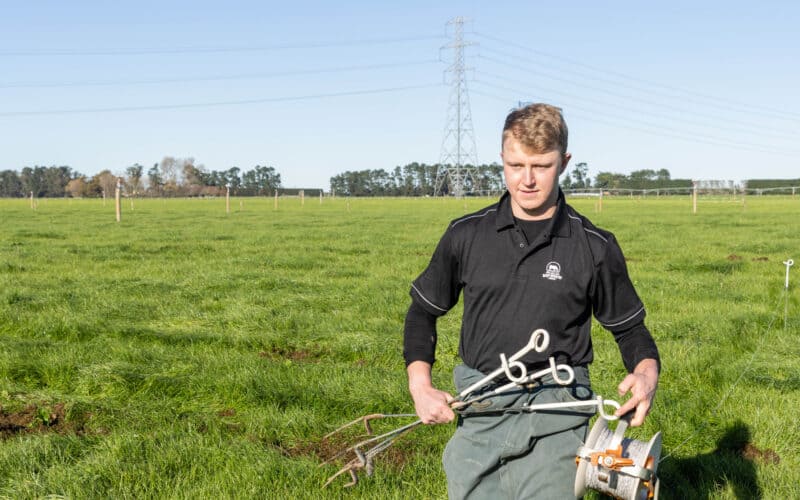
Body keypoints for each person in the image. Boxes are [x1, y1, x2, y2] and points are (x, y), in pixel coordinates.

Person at [403, 103, 660, 499]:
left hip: (558, 405)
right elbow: (423, 312)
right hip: (482, 403)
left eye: (540, 166)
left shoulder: (594, 246)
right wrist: (420, 386)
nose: (526, 180)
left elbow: (630, 329)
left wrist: (646, 373)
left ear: (564, 162)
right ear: (502, 160)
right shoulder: (466, 235)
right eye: (514, 165)